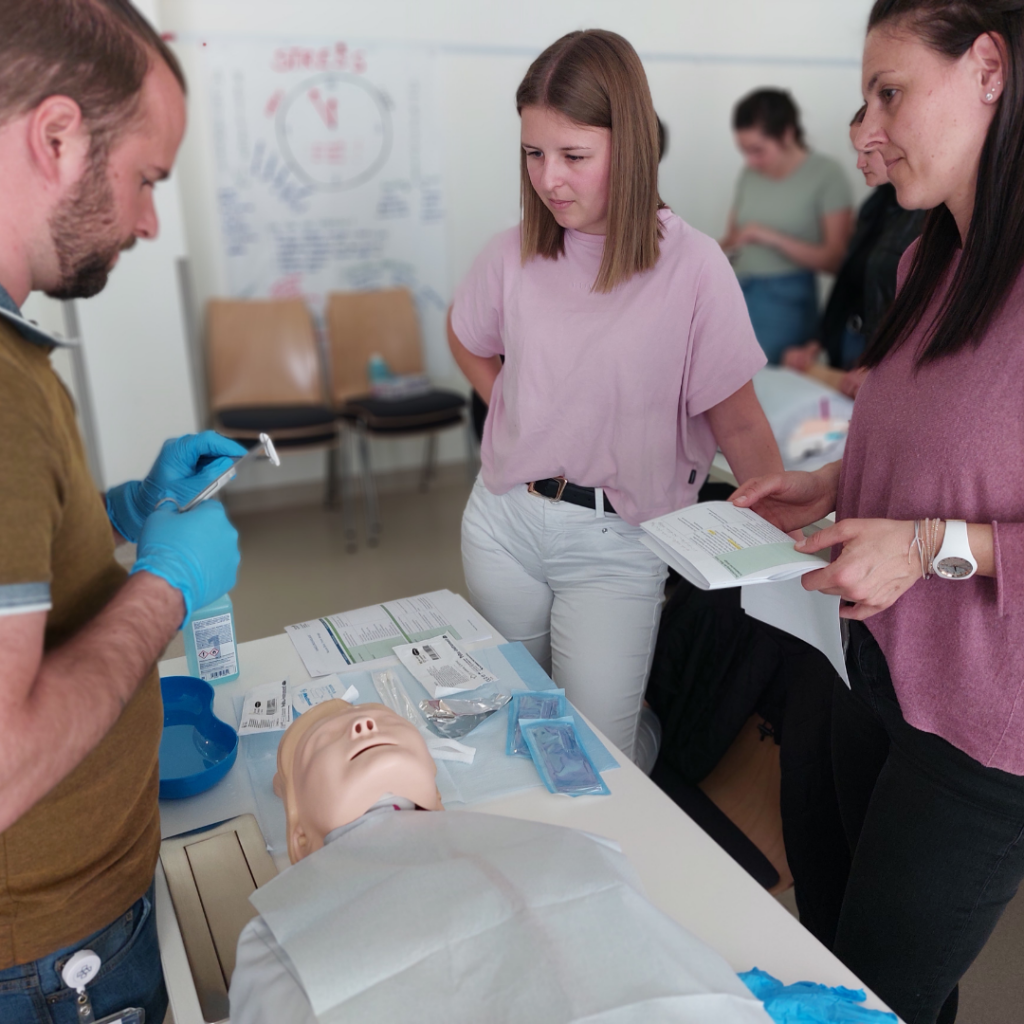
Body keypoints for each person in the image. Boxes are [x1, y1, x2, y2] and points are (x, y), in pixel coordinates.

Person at [732, 2, 1024, 1020]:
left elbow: (948, 521)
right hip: (867, 662)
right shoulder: (920, 261)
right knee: (833, 954)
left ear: (988, 67)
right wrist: (835, 487)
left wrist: (927, 544)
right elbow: (930, 439)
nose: (864, 131)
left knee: (876, 997)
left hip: (987, 720)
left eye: (889, 92)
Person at [0, 3, 243, 1021]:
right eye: (147, 178)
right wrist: (163, 587)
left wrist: (122, 511)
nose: (149, 220)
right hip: (52, 957)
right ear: (56, 137)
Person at [448, 30, 781, 761]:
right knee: (522, 718)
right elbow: (466, 335)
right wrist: (514, 402)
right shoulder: (513, 253)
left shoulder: (692, 267)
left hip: (616, 542)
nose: (548, 179)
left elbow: (739, 418)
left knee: (600, 752)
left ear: (626, 146)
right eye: (533, 154)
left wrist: (784, 529)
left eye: (573, 156)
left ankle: (641, 749)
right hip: (503, 522)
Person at [229, 699, 772, 1024]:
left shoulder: (572, 845)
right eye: (326, 739)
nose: (364, 726)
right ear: (299, 837)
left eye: (382, 719)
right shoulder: (283, 942)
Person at [783, 106, 926, 398]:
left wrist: (881, 365)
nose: (859, 163)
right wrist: (819, 340)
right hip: (853, 343)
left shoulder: (931, 217)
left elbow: (921, 311)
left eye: (869, 152)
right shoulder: (875, 207)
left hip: (887, 360)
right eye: (857, 152)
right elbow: (852, 281)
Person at [721, 89, 854, 364]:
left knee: (760, 381)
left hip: (785, 299)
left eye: (758, 150)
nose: (750, 160)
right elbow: (732, 239)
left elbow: (836, 260)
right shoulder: (749, 174)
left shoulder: (826, 174)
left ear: (787, 134)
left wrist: (772, 238)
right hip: (736, 290)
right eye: (744, 151)